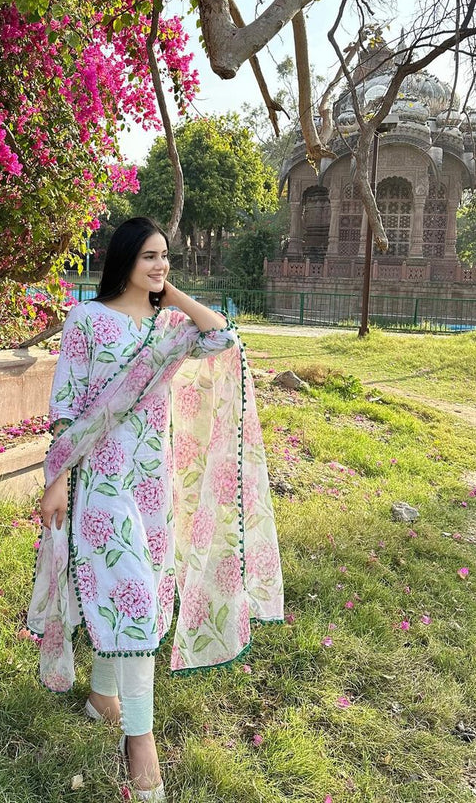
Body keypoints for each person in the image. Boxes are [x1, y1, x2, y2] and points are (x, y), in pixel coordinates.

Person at [28, 217, 283, 801]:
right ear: (123, 260)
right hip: (100, 483)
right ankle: (139, 740)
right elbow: (67, 405)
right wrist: (57, 481)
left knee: (143, 593)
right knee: (136, 601)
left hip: (152, 485)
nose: (159, 265)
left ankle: (101, 696)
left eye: (165, 256)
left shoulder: (171, 325)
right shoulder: (86, 320)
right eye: (148, 257)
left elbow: (223, 339)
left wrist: (176, 298)